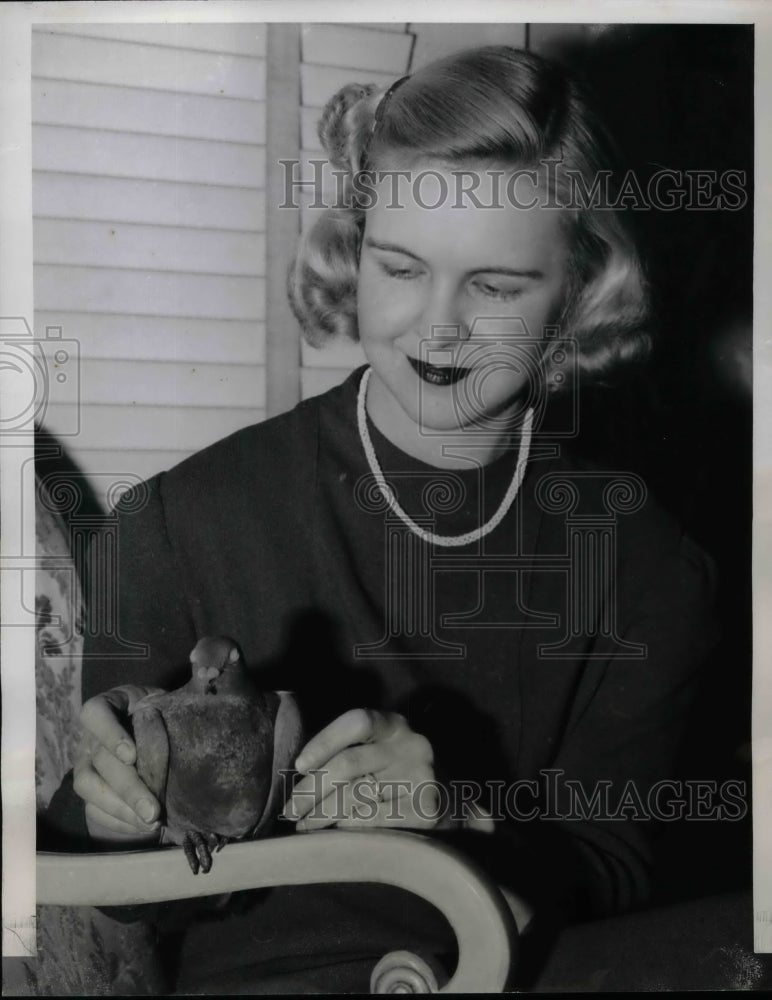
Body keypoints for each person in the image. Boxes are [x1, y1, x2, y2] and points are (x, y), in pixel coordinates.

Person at [52, 46, 717, 991]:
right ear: (351, 249)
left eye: (494, 287)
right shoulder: (179, 522)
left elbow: (621, 870)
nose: (436, 328)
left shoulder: (650, 567)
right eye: (400, 266)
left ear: (578, 293)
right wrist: (114, 810)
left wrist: (461, 816)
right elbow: (121, 889)